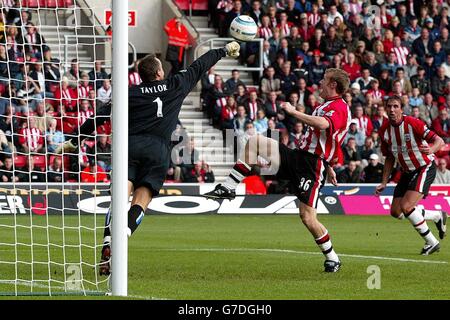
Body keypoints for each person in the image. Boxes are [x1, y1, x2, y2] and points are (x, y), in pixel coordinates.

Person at [57, 41, 241, 275]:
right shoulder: (175, 85)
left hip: (130, 148)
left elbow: (100, 115)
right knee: (141, 202)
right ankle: (121, 237)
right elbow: (199, 65)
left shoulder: (129, 93)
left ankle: (107, 242)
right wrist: (224, 50)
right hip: (158, 152)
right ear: (159, 72)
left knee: (118, 199)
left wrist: (76, 139)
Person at [205, 68, 351, 273]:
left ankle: (332, 258)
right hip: (297, 156)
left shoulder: (339, 107)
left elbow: (324, 125)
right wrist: (331, 164)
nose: (320, 82)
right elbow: (330, 139)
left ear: (333, 84)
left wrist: (294, 112)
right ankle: (229, 187)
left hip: (312, 167)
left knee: (308, 217)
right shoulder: (325, 105)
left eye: (325, 80)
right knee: (255, 142)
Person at [375, 96, 447, 255]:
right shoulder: (384, 130)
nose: (392, 110)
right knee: (396, 212)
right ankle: (437, 215)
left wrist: (432, 149)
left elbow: (439, 140)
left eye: (395, 106)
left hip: (424, 167)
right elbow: (389, 157)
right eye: (389, 106)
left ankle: (432, 242)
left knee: (407, 207)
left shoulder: (413, 123)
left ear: (401, 108)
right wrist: (384, 182)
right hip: (406, 171)